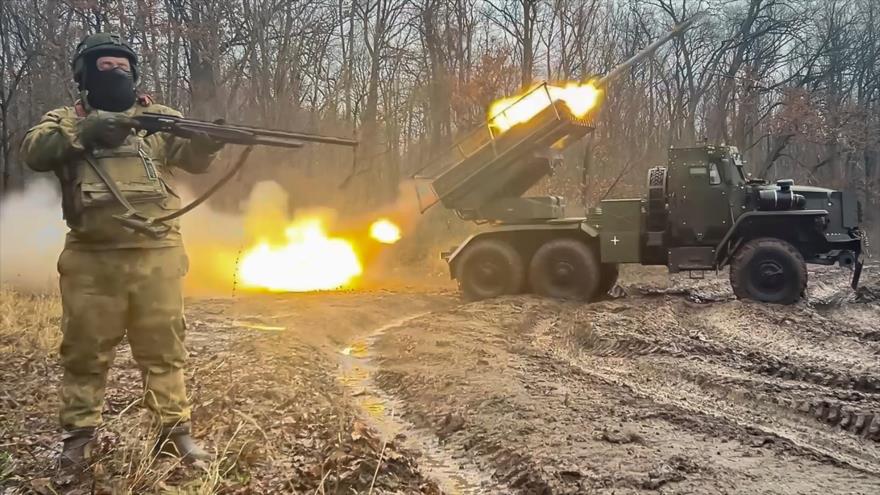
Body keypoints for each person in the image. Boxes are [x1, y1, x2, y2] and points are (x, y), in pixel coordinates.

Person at [19, 33, 222, 470]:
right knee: (84, 351)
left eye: (122, 66)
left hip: (158, 252)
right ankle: (77, 438)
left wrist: (207, 142)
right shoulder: (64, 120)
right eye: (104, 67)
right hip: (92, 257)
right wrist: (86, 131)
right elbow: (34, 151)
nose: (116, 73)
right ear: (84, 76)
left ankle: (174, 433)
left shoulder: (158, 118)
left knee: (164, 348)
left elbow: (192, 159)